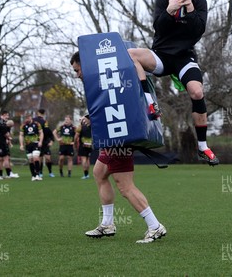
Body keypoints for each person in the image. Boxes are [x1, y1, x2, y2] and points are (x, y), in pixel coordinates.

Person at [127, 0, 218, 166]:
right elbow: (158, 27)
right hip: (161, 55)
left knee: (197, 92)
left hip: (184, 57)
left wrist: (190, 8)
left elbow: (197, 32)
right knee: (131, 54)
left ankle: (203, 147)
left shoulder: (200, 2)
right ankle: (151, 102)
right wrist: (170, 9)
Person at [70, 51, 166, 243]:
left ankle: (155, 226)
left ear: (86, 65)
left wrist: (92, 118)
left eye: (77, 70)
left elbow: (116, 102)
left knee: (125, 186)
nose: (77, 74)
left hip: (118, 139)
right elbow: (110, 101)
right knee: (99, 173)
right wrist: (91, 116)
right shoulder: (106, 75)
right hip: (114, 138)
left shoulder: (105, 75)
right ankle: (107, 224)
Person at [0, 111, 18, 179]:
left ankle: (7, 173)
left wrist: (9, 140)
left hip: (0, 143)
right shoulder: (1, 123)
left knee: (5, 158)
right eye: (6, 115)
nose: (7, 117)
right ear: (3, 115)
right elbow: (6, 134)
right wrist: (10, 138)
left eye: (8, 115)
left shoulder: (1, 123)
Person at [19, 113, 44, 181]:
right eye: (25, 118)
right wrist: (21, 144)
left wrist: (40, 141)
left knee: (36, 158)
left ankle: (37, 175)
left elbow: (41, 133)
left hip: (36, 143)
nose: (26, 120)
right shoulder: (23, 125)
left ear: (30, 117)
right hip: (28, 145)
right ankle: (33, 176)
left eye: (27, 118)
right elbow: (21, 135)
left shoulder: (37, 124)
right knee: (30, 160)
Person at [34, 108, 55, 178]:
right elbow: (48, 132)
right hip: (38, 141)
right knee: (40, 158)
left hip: (45, 142)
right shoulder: (34, 120)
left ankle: (50, 172)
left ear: (37, 113)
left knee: (47, 158)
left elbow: (48, 131)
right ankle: (40, 172)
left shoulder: (44, 121)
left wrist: (51, 140)